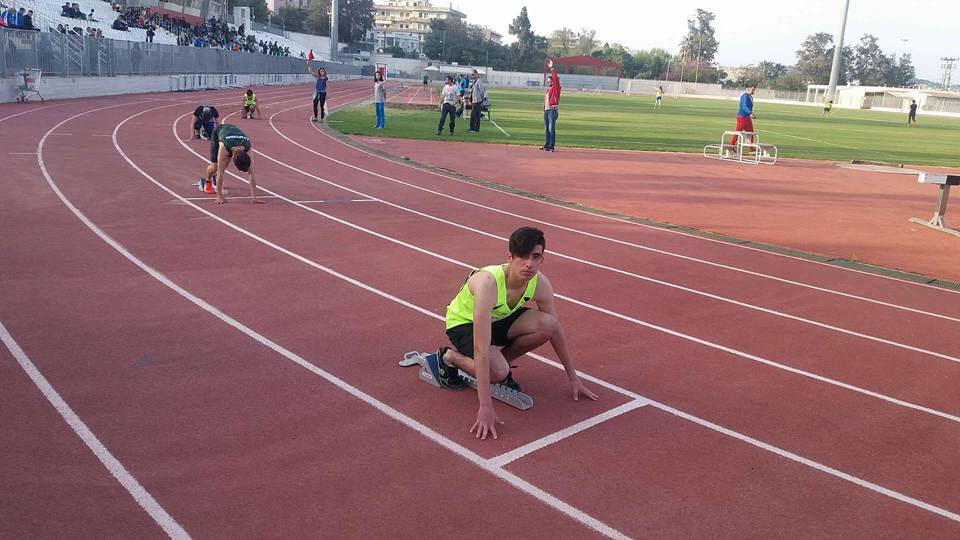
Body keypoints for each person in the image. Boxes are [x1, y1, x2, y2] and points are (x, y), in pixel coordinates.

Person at [429, 226, 598, 440]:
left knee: (547, 324)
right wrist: (485, 406)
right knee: (497, 373)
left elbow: (556, 330)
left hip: (498, 319)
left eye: (535, 257)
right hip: (464, 323)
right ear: (510, 257)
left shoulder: (540, 283)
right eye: (522, 257)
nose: (529, 264)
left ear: (542, 259)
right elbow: (481, 348)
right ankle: (449, 357)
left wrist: (573, 378)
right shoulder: (488, 283)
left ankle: (500, 364)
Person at [203, 124, 259, 205]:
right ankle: (207, 181)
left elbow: (251, 173)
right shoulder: (224, 148)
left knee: (249, 168)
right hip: (219, 132)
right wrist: (219, 196)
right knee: (216, 167)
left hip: (233, 132)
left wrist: (254, 198)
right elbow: (220, 172)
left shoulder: (248, 147)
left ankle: (215, 182)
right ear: (232, 158)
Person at [729, 83, 757, 152]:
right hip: (742, 117)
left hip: (747, 117)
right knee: (738, 132)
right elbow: (744, 106)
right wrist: (750, 113)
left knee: (750, 132)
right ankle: (731, 146)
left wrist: (750, 114)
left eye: (754, 90)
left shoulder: (751, 97)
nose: (753, 91)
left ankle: (750, 148)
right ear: (748, 89)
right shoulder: (745, 96)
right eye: (752, 90)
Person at [541, 59, 561, 152]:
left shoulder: (556, 87)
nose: (548, 82)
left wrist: (552, 68)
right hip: (547, 111)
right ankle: (547, 145)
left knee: (551, 129)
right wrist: (544, 110)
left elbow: (555, 78)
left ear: (553, 81)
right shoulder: (548, 90)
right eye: (548, 81)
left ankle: (552, 146)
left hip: (552, 110)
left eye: (549, 81)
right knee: (546, 129)